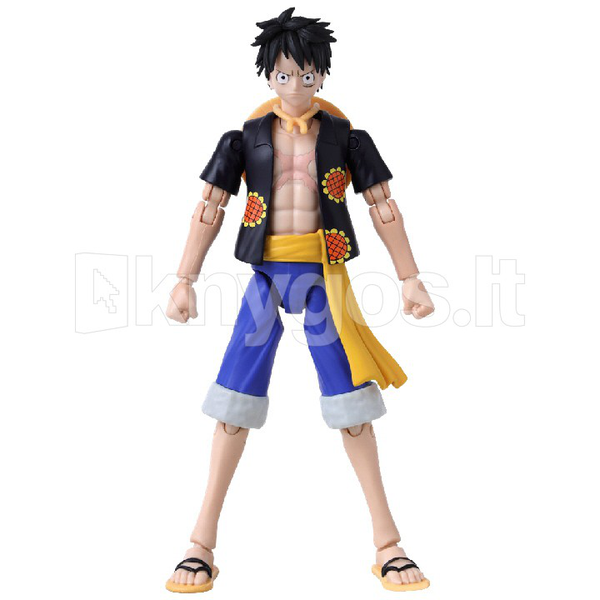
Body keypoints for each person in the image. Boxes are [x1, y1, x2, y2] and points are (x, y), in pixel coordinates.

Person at [165, 7, 434, 593]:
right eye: (283, 75)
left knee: (351, 406)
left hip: (324, 280)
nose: (294, 86)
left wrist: (409, 276)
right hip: (265, 278)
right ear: (269, 75)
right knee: (233, 403)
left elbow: (383, 207)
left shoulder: (346, 138)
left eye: (305, 76)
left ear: (322, 76)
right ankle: (200, 543)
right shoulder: (244, 139)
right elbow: (209, 208)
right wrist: (185, 277)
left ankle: (387, 543)